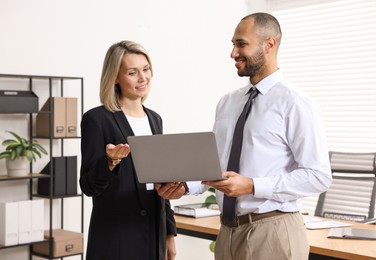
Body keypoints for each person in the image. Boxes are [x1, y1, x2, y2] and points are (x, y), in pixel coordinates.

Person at [157, 12, 332, 260]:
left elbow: (319, 176)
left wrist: (251, 185)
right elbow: (216, 167)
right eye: (233, 44)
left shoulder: (295, 103)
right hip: (228, 232)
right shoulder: (228, 103)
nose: (233, 53)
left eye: (242, 44)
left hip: (274, 231)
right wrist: (185, 186)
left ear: (269, 44)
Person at [80, 40, 179, 260]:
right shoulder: (97, 119)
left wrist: (169, 233)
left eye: (146, 69)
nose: (143, 78)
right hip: (116, 236)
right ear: (115, 77)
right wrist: (109, 162)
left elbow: (162, 178)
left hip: (154, 231)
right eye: (133, 72)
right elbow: (88, 185)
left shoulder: (155, 120)